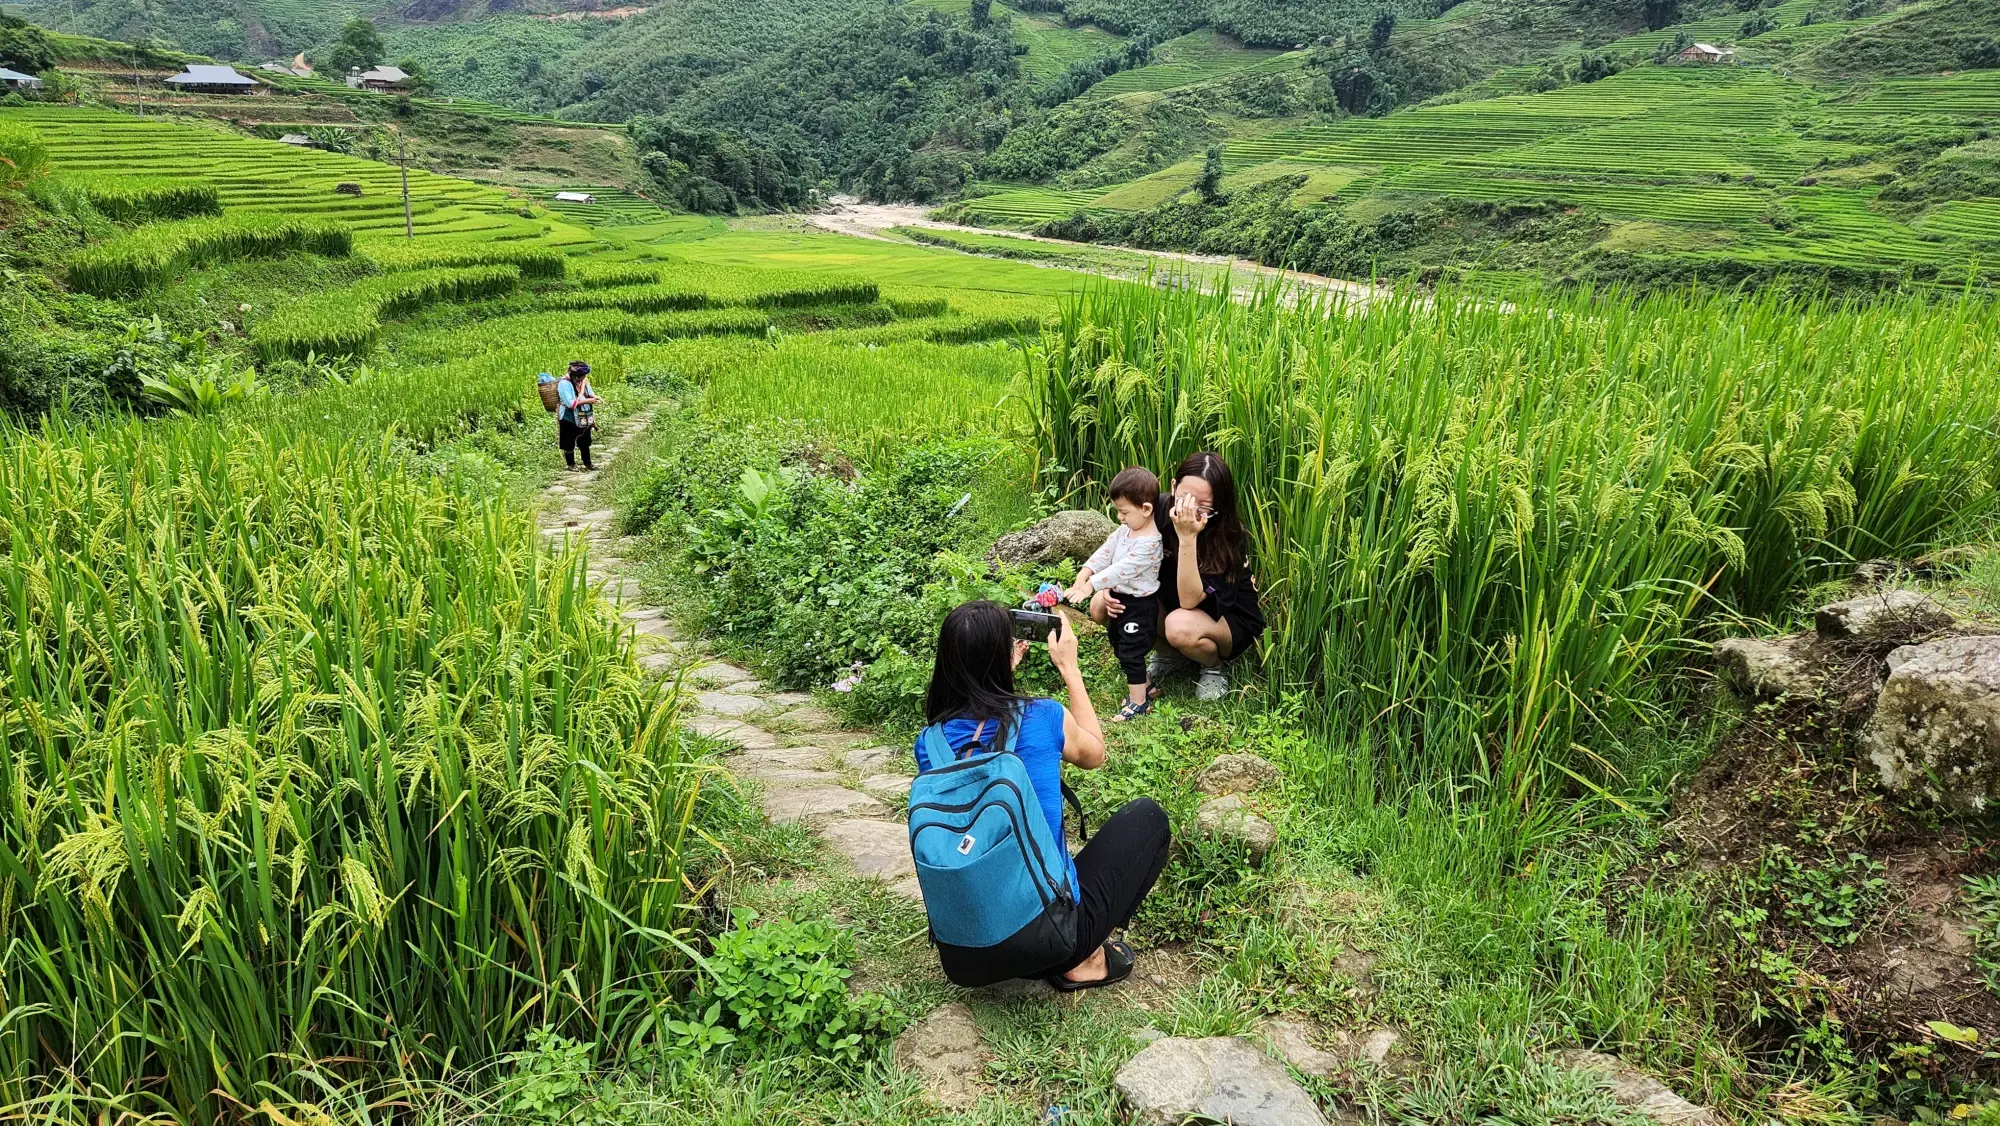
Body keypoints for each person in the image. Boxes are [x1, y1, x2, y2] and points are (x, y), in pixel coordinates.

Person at [915, 600, 1171, 991]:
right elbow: (1095, 753)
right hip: (1052, 940)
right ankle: (1085, 960)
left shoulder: (930, 743)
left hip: (968, 952)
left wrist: (999, 663)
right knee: (1148, 817)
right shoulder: (1042, 716)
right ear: (1008, 656)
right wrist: (1070, 668)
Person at [1103, 451, 1265, 701]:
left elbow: (1190, 601)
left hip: (1224, 619)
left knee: (1179, 625)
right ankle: (1170, 655)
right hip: (1171, 605)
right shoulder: (1155, 511)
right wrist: (1109, 585)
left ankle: (1214, 666)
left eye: (1204, 507)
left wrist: (1187, 537)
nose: (1190, 510)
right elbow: (1121, 552)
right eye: (1185, 499)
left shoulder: (1228, 533)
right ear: (1173, 487)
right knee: (1103, 605)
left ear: (1218, 505)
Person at [1064, 466, 1164, 722]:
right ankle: (1147, 685)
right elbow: (1106, 552)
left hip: (1140, 605)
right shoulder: (1125, 531)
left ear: (1146, 509)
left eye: (1124, 512)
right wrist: (1084, 573)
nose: (1119, 517)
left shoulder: (1151, 544)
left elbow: (1121, 569)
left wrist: (1091, 586)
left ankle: (1138, 702)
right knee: (1119, 644)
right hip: (1119, 600)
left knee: (1132, 651)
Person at [556, 360, 600, 471]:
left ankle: (588, 463)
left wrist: (595, 397)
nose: (584, 377)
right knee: (569, 440)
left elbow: (589, 392)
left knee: (585, 439)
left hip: (584, 415)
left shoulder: (583, 381)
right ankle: (571, 463)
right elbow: (571, 404)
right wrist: (589, 401)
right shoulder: (564, 384)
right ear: (576, 375)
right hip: (568, 416)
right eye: (583, 375)